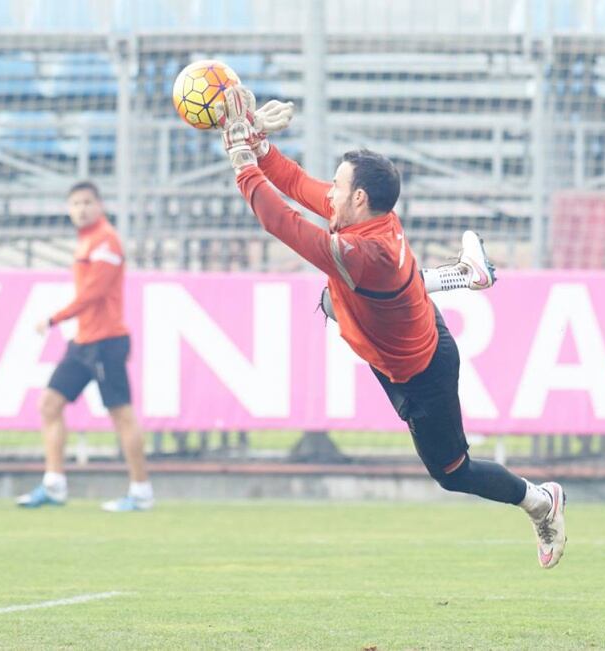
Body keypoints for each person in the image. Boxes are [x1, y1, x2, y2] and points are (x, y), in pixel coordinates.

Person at [214, 88, 566, 568]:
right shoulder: (368, 215)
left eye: (336, 186)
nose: (329, 192)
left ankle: (540, 501)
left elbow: (284, 223)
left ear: (359, 196)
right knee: (336, 297)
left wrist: (241, 163)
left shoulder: (365, 253)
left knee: (454, 472)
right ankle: (461, 274)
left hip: (421, 375)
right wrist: (258, 146)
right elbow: (296, 184)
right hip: (406, 327)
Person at [16, 181, 154, 512]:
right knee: (49, 404)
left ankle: (140, 491)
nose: (81, 209)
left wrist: (53, 319)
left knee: (121, 414)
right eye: (75, 203)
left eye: (87, 202)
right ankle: (54, 485)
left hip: (107, 342)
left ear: (100, 205)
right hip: (83, 342)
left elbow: (95, 292)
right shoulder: (87, 241)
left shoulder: (106, 239)